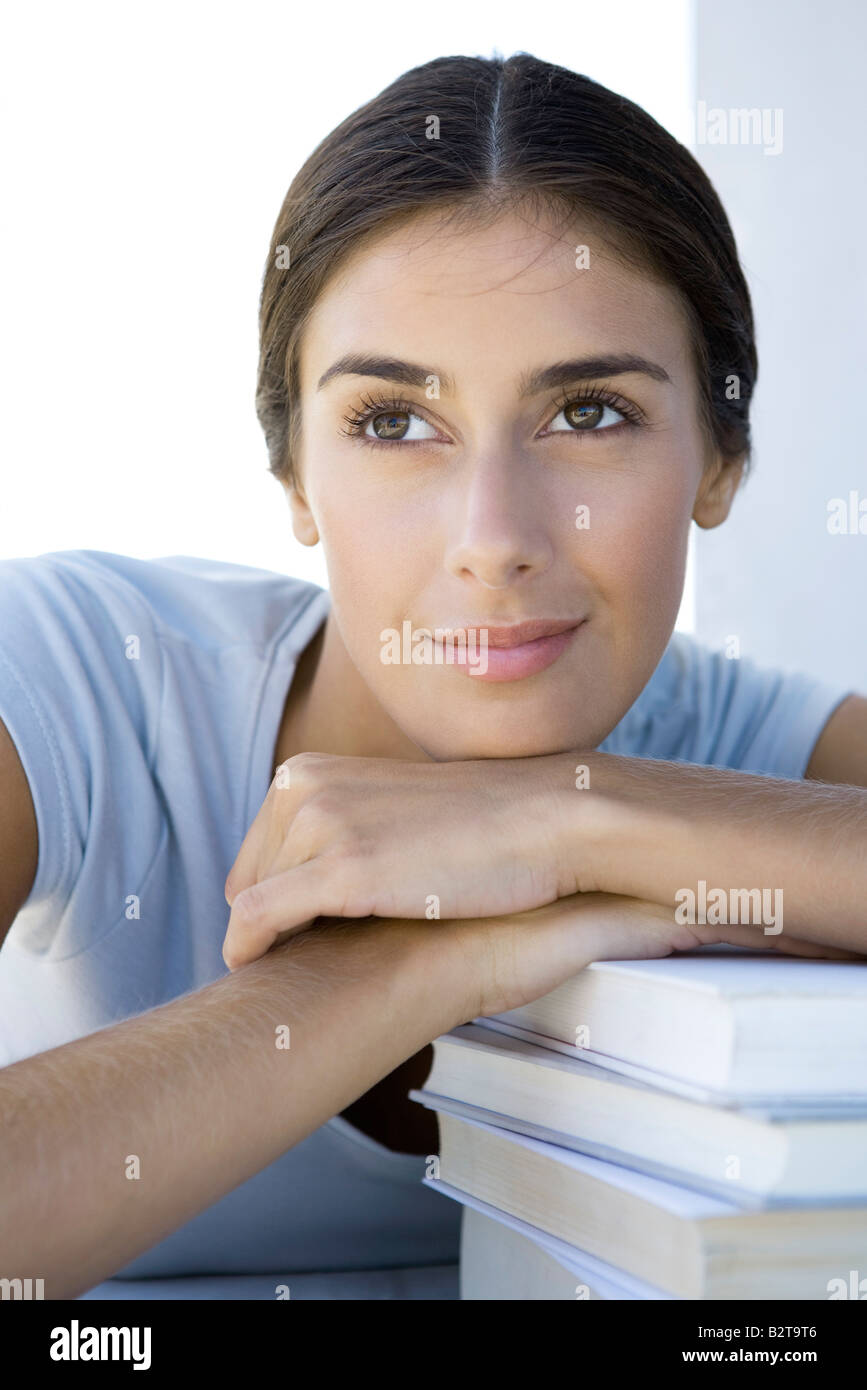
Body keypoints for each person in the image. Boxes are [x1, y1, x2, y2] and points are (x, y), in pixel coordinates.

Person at [1, 52, 865, 1302]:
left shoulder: (742, 747)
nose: (493, 535)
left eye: (591, 412)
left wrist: (573, 817)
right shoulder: (77, 677)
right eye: (395, 423)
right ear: (294, 476)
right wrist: (399, 968)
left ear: (720, 460)